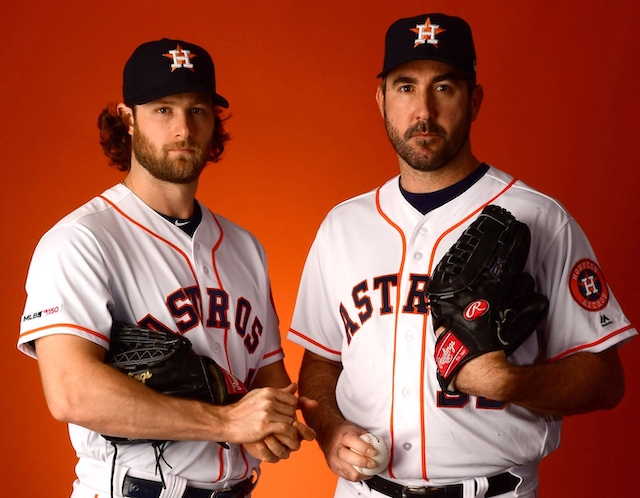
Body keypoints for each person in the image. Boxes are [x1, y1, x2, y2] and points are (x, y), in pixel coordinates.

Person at [287, 13, 636, 498]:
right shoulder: (342, 227)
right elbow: (321, 362)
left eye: (444, 87)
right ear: (381, 101)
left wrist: (508, 382)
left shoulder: (540, 218)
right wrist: (328, 429)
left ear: (474, 101)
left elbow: (605, 380)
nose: (423, 110)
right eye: (405, 87)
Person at [18, 38, 315, 498]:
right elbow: (70, 392)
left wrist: (274, 424)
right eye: (162, 109)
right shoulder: (82, 240)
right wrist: (226, 421)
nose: (182, 128)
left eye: (197, 110)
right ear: (128, 119)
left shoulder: (244, 247)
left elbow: (267, 379)